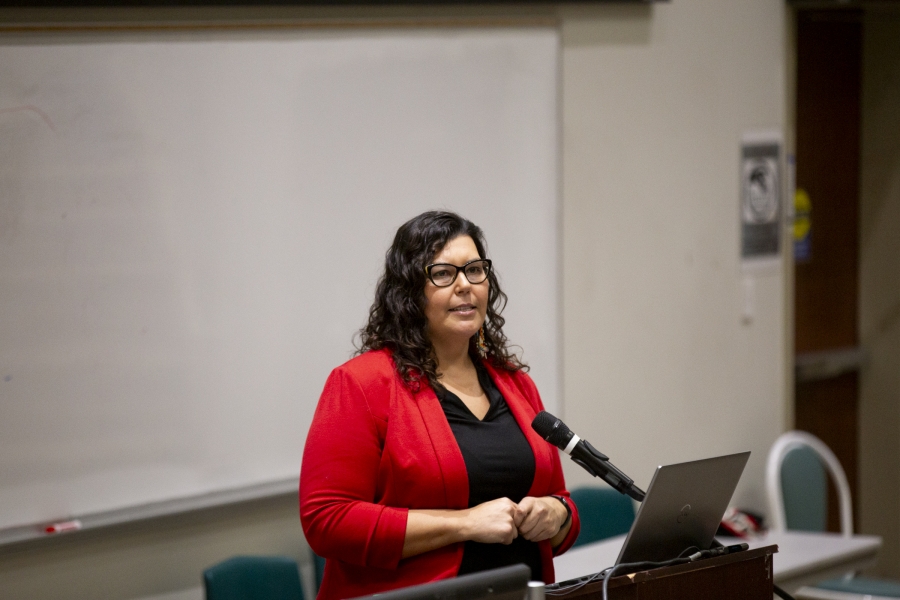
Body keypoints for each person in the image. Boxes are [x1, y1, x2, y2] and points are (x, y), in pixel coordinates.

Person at [299, 211, 579, 599]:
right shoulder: (362, 384)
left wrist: (558, 516)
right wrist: (464, 524)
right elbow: (327, 520)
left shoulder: (516, 384)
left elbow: (557, 498)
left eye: (475, 270)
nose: (465, 285)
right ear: (410, 292)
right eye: (444, 274)